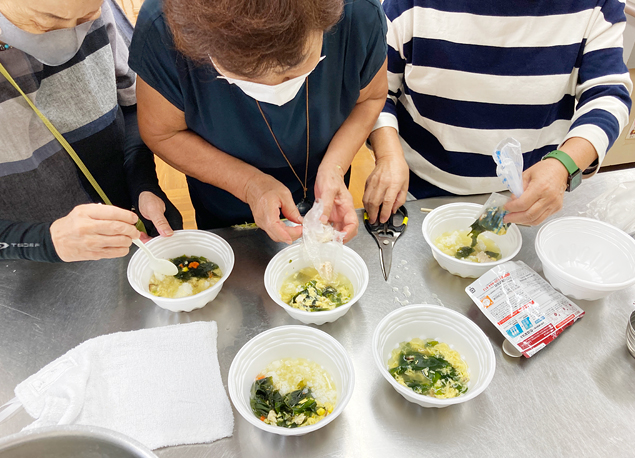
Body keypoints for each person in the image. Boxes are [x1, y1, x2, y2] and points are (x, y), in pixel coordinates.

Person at [128, 0, 388, 244]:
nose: (275, 88)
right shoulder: (165, 26)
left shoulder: (357, 12)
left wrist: (334, 167)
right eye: (246, 77)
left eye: (293, 72)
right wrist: (248, 184)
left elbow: (370, 98)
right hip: (225, 204)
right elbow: (163, 133)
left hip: (322, 180)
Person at [363, 0, 632, 226]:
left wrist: (564, 165)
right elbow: (378, 91)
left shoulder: (596, 5)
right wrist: (387, 156)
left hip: (528, 200)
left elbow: (607, 95)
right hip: (417, 191)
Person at [0, 0, 181, 262]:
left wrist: (142, 183)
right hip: (24, 271)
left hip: (123, 237)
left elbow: (131, 105)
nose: (71, 36)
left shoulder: (97, 7)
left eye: (86, 16)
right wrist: (42, 241)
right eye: (49, 19)